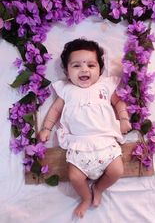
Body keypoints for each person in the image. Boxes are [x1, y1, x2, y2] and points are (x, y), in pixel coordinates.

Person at [38, 38, 132, 218]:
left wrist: (124, 118)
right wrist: (46, 129)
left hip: (105, 142)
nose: (84, 70)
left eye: (91, 65)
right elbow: (55, 111)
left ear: (100, 70)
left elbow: (119, 102)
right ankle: (86, 197)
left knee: (116, 171)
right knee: (75, 178)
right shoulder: (66, 90)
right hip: (79, 144)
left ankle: (99, 188)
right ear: (66, 71)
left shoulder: (105, 87)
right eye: (76, 66)